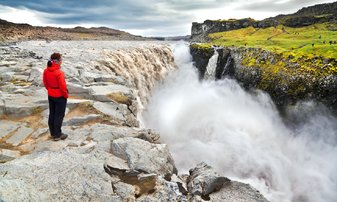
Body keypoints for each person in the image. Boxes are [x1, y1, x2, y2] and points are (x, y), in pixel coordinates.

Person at [43, 52, 68, 141]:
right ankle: (58, 135)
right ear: (57, 61)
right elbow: (63, 87)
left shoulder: (46, 71)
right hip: (60, 96)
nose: (62, 61)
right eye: (61, 60)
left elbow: (45, 83)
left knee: (52, 114)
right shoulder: (59, 73)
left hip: (51, 94)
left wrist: (50, 90)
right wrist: (65, 95)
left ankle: (53, 133)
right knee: (59, 115)